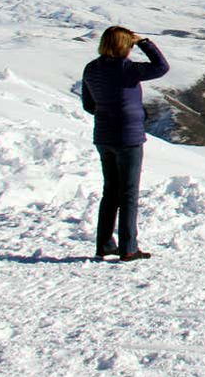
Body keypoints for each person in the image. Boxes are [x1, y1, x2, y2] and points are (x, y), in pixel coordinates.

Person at [80, 26, 169, 262]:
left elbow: (88, 105)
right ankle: (128, 248)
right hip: (128, 138)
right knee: (128, 193)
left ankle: (105, 244)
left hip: (103, 136)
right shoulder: (125, 68)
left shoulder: (92, 68)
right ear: (124, 45)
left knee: (110, 192)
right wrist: (144, 41)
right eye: (129, 44)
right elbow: (161, 67)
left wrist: (107, 113)